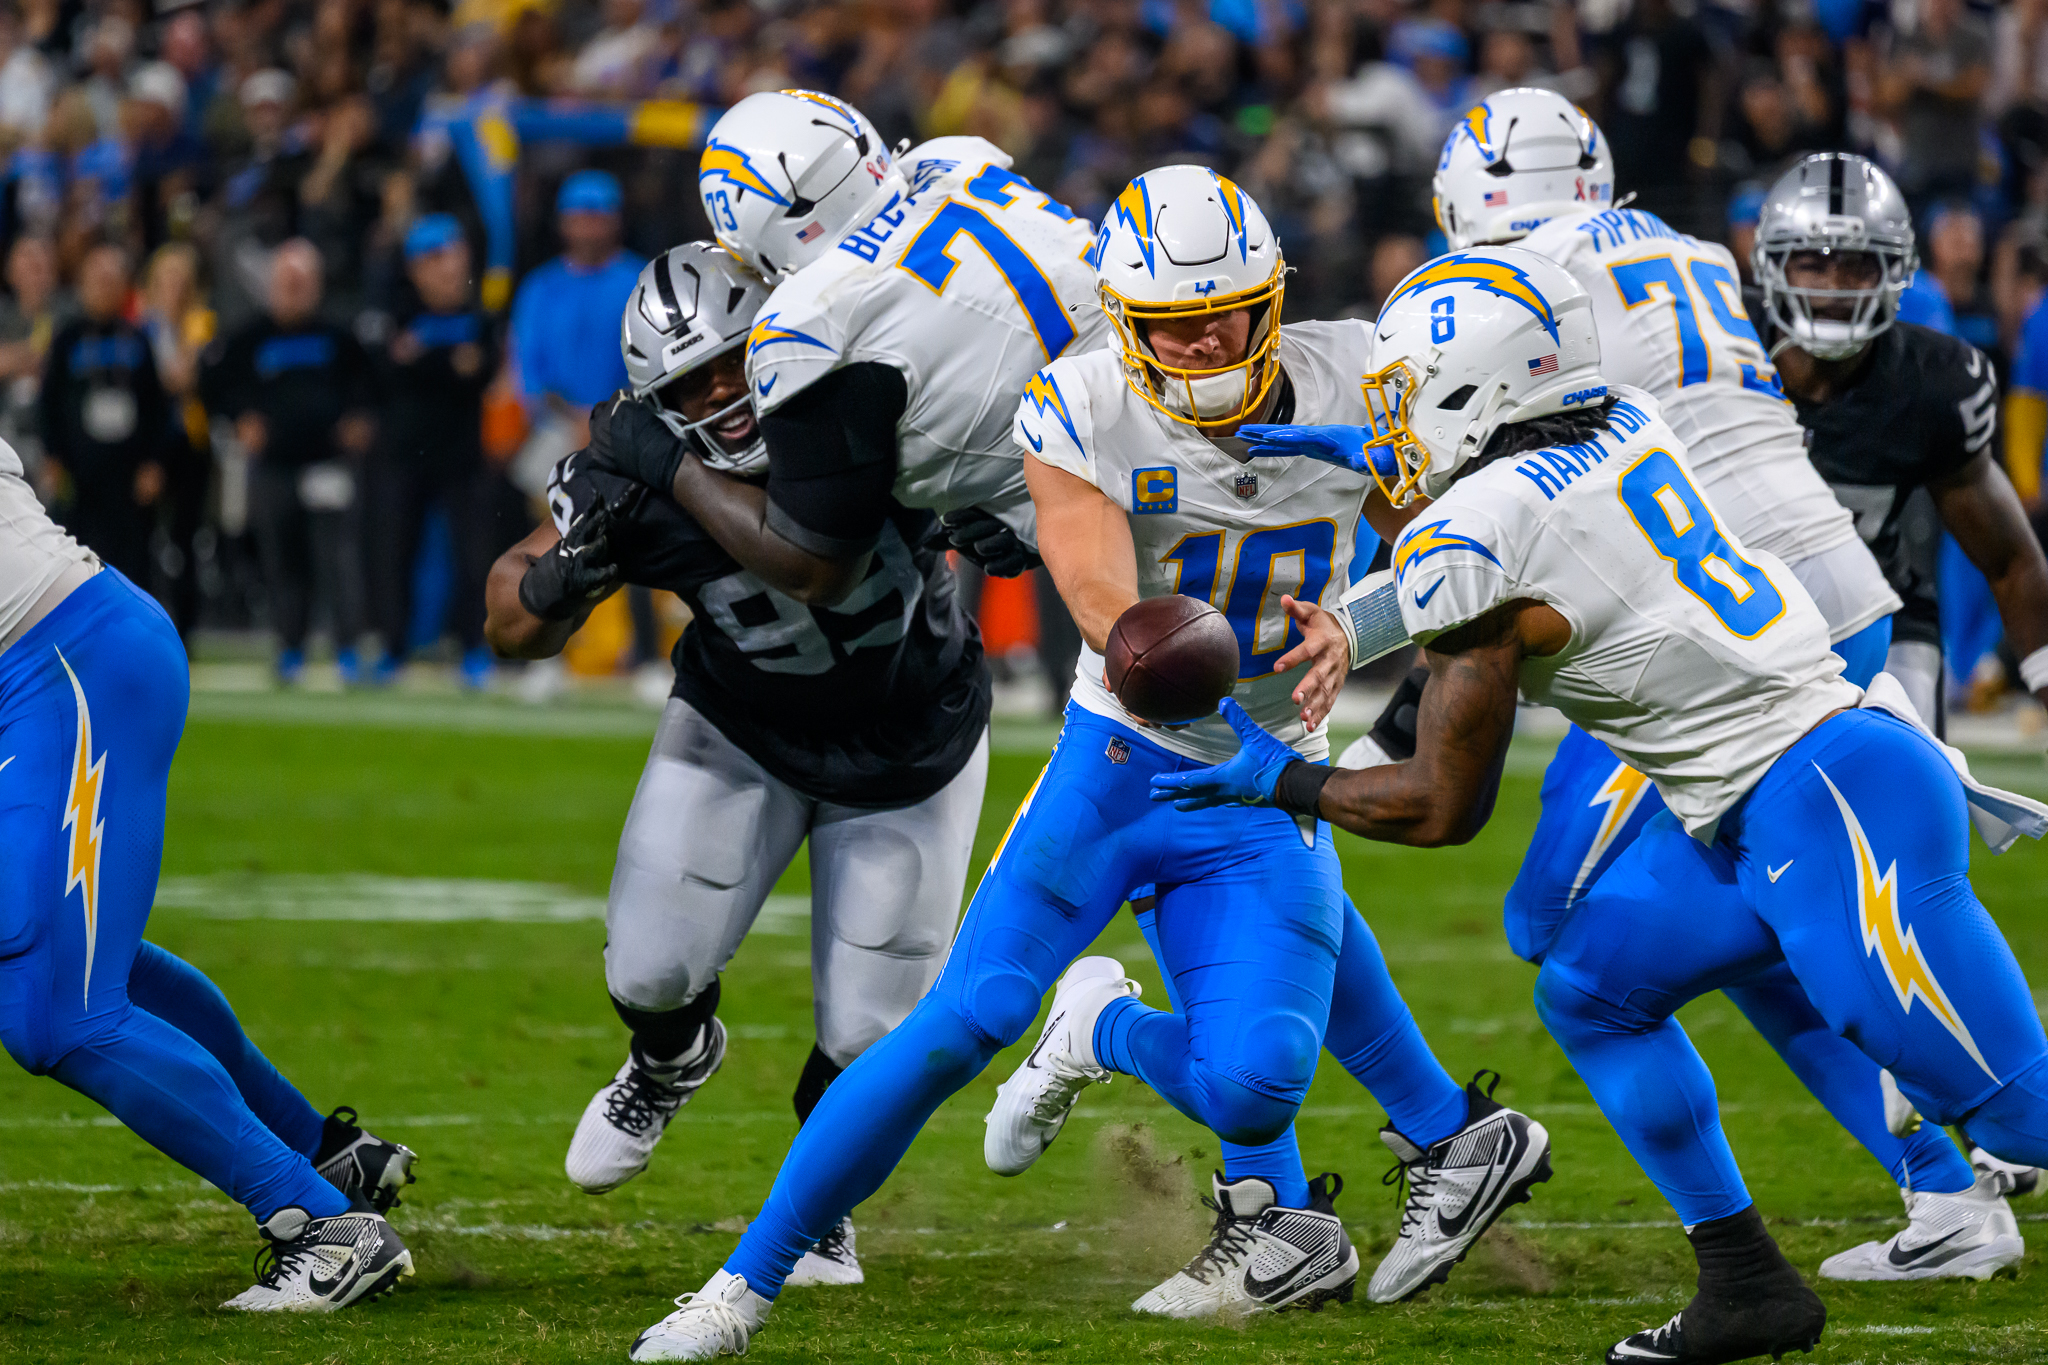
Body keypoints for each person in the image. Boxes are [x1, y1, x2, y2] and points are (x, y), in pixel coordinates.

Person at [619, 169, 1547, 1362]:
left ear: (1272, 299)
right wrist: (1147, 642)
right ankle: (738, 1288)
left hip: (1262, 777)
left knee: (1254, 1085)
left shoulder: (1360, 373)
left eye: (1226, 314)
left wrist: (1358, 624)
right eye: (1171, 323)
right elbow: (1099, 586)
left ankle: (1105, 1028)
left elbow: (1455, 546)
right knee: (966, 1017)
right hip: (1116, 760)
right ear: (1124, 320)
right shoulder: (1081, 399)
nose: (1204, 341)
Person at [1161, 245, 2048, 1363]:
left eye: (1400, 396)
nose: (1383, 422)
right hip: (1759, 806)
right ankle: (1745, 1285)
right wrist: (1360, 612)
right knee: (1591, 992)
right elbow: (1525, 567)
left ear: (1469, 390)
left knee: (2025, 1118)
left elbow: (1440, 804)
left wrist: (1282, 778)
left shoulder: (1471, 533)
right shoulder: (1627, 418)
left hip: (1831, 803)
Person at [1366, 91, 2026, 1282]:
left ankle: (1915, 1105)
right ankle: (1939, 1187)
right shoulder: (1685, 250)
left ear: (1464, 208)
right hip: (1799, 591)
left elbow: (1497, 534)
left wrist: (1388, 705)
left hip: (1725, 638)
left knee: (1556, 929)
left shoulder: (1523, 298)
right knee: (1742, 933)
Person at [485, 242, 990, 1288]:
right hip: (742, 729)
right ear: (655, 399)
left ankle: (818, 1195)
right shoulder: (630, 477)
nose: (721, 393)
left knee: (872, 1033)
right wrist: (554, 586)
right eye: (690, 382)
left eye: (732, 362)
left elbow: (811, 561)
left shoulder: (860, 412)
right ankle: (671, 1056)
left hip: (911, 743)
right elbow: (507, 612)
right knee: (647, 967)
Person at [0, 431, 418, 1311]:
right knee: (74, 963)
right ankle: (326, 1154)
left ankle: (325, 1225)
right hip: (64, 656)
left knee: (57, 1011)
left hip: (60, 666)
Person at [1755, 154, 2048, 744]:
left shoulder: (1931, 386)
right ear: (1771, 265)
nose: (1834, 288)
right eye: (1812, 263)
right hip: (1730, 615)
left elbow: (2010, 561)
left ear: (1896, 271)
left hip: (1879, 618)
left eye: (1857, 265)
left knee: (1908, 792)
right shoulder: (1716, 356)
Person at [202, 239, 378, 683]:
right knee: (283, 560)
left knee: (336, 559)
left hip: (328, 463)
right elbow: (215, 387)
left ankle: (347, 649)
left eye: (302, 282)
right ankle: (290, 647)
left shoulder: (339, 335)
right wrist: (239, 420)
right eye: (287, 282)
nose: (295, 291)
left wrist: (359, 419)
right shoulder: (248, 338)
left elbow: (370, 386)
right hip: (275, 465)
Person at [365, 215, 502, 688]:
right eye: (437, 260)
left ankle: (475, 648)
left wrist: (422, 361)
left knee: (473, 557)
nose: (449, 269)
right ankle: (392, 648)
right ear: (416, 268)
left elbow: (480, 371)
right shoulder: (396, 314)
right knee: (394, 553)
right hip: (404, 454)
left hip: (461, 455)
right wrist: (449, 366)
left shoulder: (480, 318)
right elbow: (387, 372)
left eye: (453, 257)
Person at [39, 243, 171, 592]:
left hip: (130, 475)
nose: (104, 288)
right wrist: (53, 457)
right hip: (81, 475)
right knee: (79, 564)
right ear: (82, 285)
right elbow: (49, 402)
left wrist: (154, 462)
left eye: (112, 281)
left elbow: (157, 405)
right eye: (97, 280)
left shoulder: (139, 338)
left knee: (134, 564)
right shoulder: (67, 338)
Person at [506, 170, 643, 478]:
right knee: (538, 480)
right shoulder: (539, 288)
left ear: (616, 220)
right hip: (556, 426)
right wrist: (576, 420)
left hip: (628, 423)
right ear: (562, 222)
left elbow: (655, 368)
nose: (588, 229)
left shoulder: (641, 282)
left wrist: (603, 420)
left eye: (597, 217)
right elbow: (528, 372)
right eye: (579, 218)